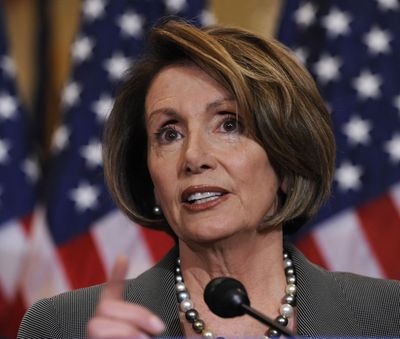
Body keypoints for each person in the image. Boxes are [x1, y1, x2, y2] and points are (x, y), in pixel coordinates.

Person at [18, 20, 400, 339]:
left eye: (229, 124)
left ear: (286, 161)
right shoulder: (61, 326)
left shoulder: (385, 317)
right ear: (150, 175)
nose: (194, 158)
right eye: (169, 133)